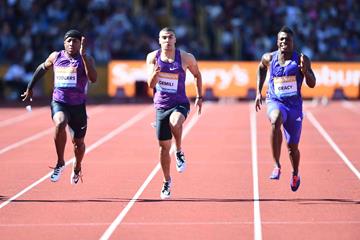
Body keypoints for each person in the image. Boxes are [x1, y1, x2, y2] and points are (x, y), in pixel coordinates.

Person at [21, 29, 97, 184]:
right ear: (64, 43)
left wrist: (83, 57)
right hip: (59, 102)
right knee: (60, 123)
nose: (71, 43)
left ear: (80, 44)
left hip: (78, 106)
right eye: (68, 40)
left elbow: (93, 79)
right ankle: (60, 162)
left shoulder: (86, 58)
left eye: (75, 41)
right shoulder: (56, 56)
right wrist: (30, 87)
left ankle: (77, 166)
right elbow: (42, 68)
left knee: (79, 144)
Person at [255, 26, 316, 192]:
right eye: (281, 39)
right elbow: (261, 68)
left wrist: (305, 72)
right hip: (275, 101)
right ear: (277, 41)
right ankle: (276, 164)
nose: (284, 42)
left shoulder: (302, 59)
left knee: (292, 148)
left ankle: (295, 173)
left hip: (294, 107)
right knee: (275, 119)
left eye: (287, 40)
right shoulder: (269, 58)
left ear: (292, 42)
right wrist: (258, 92)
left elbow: (312, 83)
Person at [146, 27, 203, 199]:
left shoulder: (186, 57)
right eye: (164, 37)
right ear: (159, 40)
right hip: (161, 106)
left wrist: (199, 96)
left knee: (175, 122)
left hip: (180, 103)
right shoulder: (152, 58)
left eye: (170, 37)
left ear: (175, 39)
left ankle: (178, 150)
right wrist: (155, 75)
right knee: (163, 148)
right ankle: (166, 181)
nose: (167, 40)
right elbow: (150, 85)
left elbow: (197, 75)